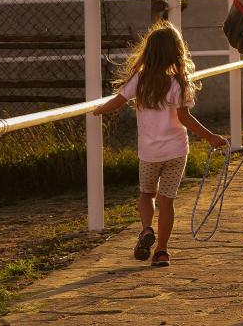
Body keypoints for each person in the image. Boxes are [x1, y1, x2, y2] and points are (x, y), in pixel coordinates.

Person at [93, 21, 226, 267]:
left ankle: (146, 229)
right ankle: (162, 251)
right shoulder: (179, 84)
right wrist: (210, 137)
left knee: (146, 195)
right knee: (167, 201)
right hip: (176, 151)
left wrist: (98, 110)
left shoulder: (140, 80)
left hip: (149, 153)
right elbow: (185, 118)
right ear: (177, 52)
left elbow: (118, 100)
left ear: (148, 52)